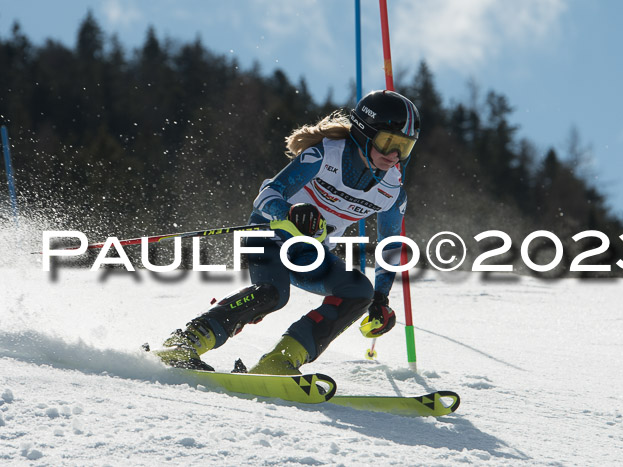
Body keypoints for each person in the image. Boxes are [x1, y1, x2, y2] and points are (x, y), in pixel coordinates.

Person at [152, 90, 421, 374]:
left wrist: (380, 298)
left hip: (308, 253)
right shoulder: (325, 154)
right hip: (268, 235)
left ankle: (280, 360)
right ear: (365, 133)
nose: (394, 156)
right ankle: (185, 342)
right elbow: (267, 195)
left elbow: (390, 247)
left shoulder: (392, 191)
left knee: (358, 291)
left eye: (404, 147)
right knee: (272, 294)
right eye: (388, 142)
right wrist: (289, 212)